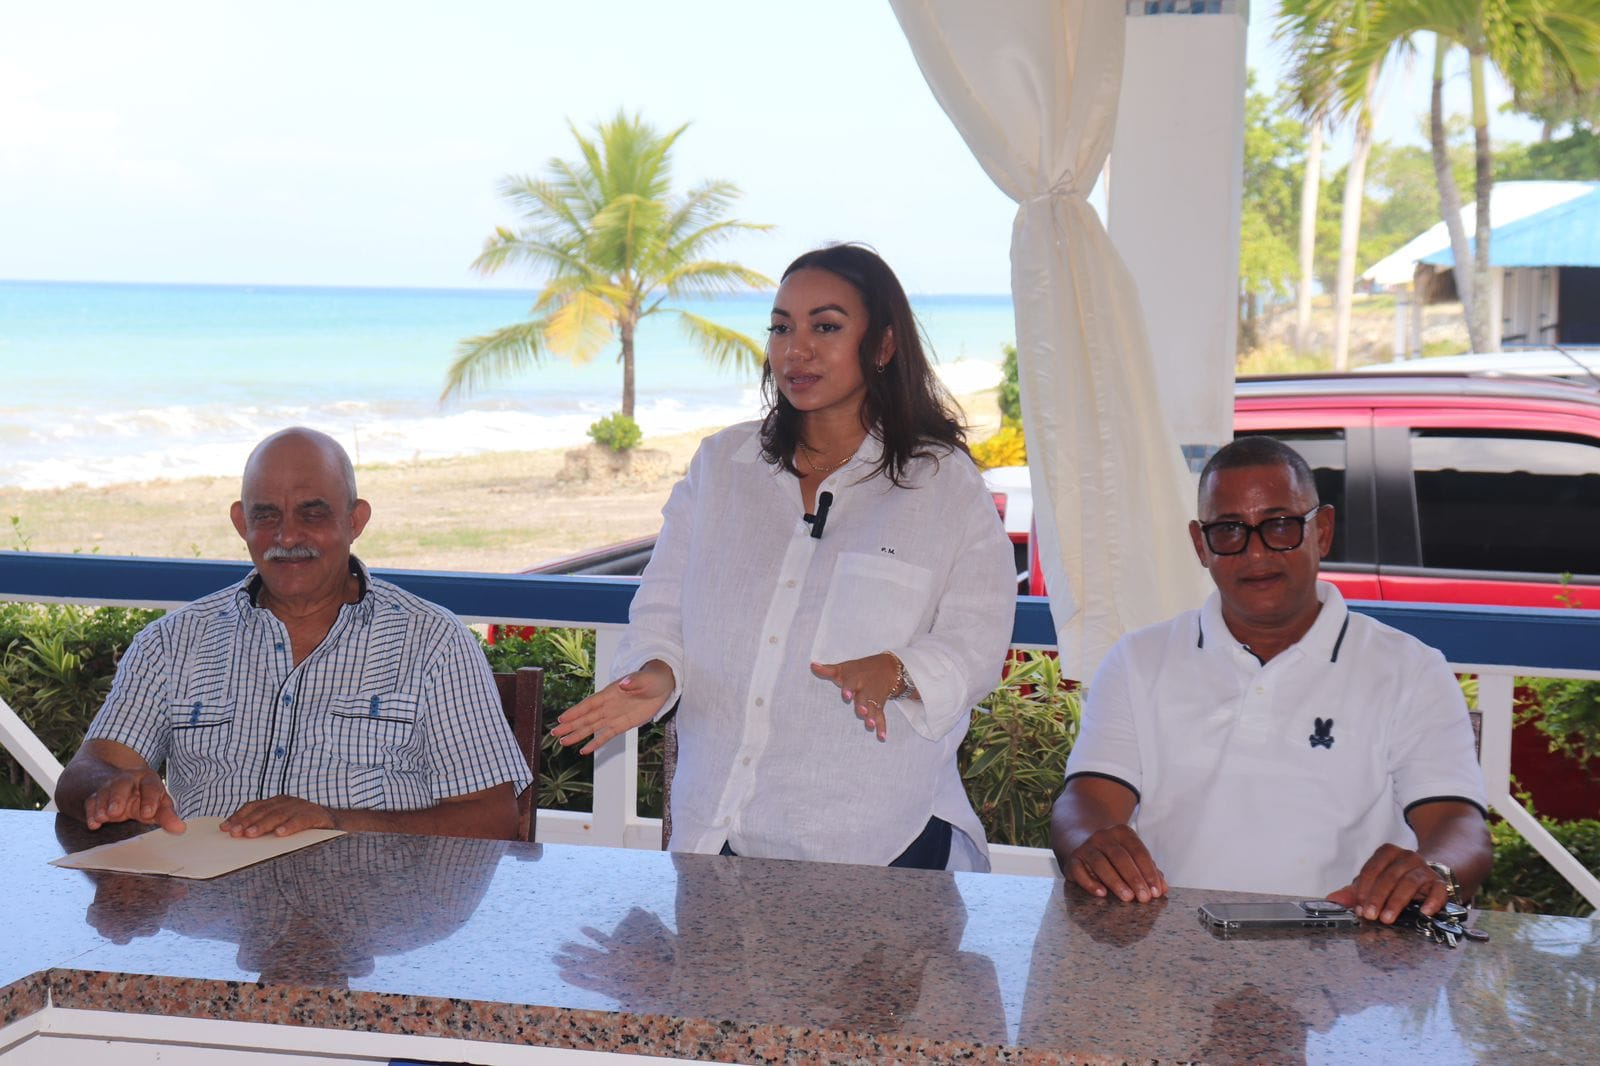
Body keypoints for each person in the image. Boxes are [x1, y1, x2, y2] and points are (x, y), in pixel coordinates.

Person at [551, 244, 1016, 870]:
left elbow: (978, 640)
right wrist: (657, 673)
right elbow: (661, 609)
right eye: (780, 328)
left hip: (880, 842)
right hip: (716, 832)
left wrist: (897, 670)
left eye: (825, 327)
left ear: (882, 346)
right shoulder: (722, 466)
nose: (796, 349)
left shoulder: (942, 484)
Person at [1051, 436, 1491, 924]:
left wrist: (1434, 870)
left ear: (1322, 531)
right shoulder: (1138, 660)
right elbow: (1087, 800)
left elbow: (1458, 823)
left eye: (1280, 526)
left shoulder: (1410, 669)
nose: (1256, 553)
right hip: (1171, 941)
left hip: (1348, 947)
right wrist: (1089, 843)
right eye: (1229, 530)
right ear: (1200, 545)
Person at [56, 427, 532, 840]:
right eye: (266, 515)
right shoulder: (172, 643)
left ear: (355, 520)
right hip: (206, 901)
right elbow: (87, 771)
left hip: (373, 899)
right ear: (241, 522)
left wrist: (336, 822)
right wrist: (108, 790)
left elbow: (493, 817)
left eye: (312, 513)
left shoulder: (433, 642)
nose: (286, 537)